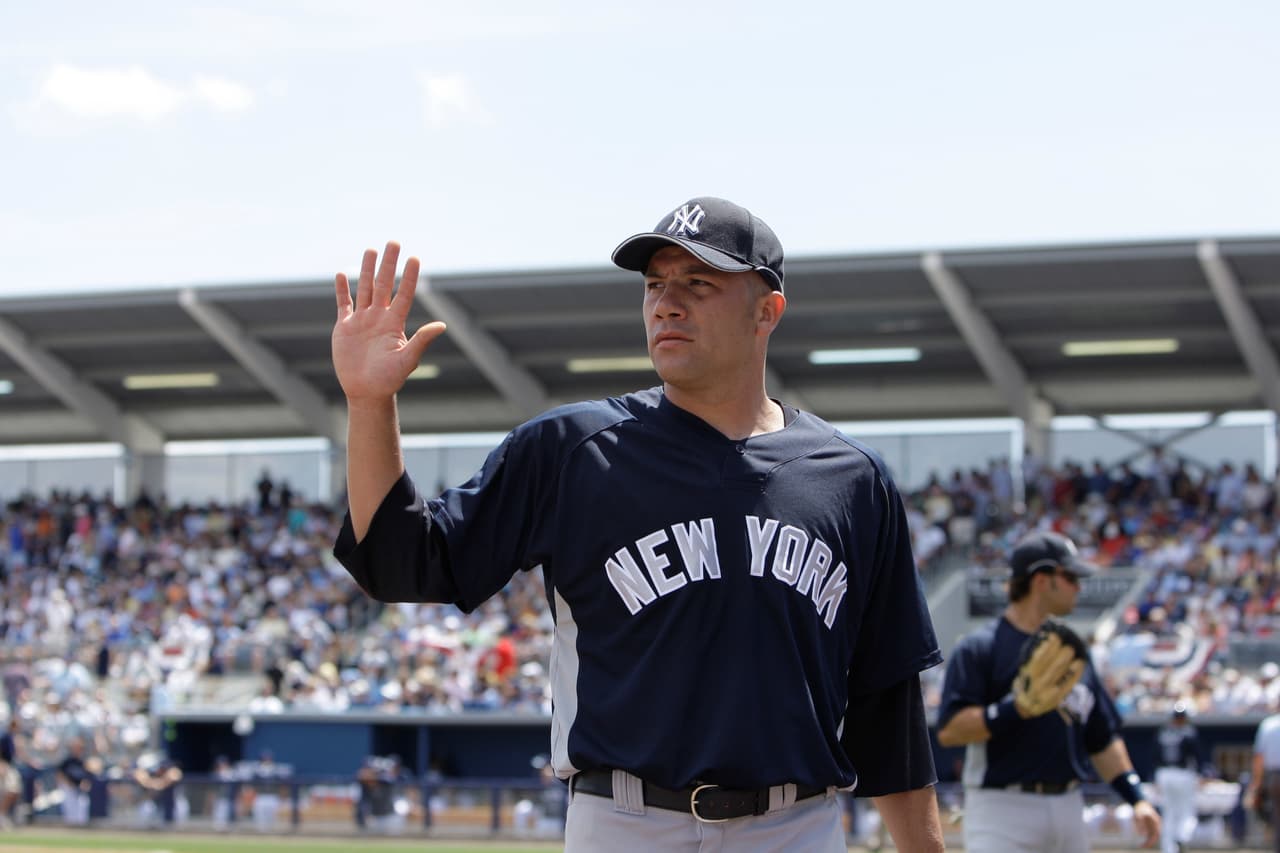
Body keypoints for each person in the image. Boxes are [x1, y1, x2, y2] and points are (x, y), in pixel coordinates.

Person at [330, 196, 945, 852]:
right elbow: (403, 564)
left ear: (766, 311)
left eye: (698, 283)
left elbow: (888, 700)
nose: (666, 304)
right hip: (626, 821)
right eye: (655, 284)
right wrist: (369, 404)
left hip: (796, 825)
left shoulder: (852, 478)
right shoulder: (572, 449)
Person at [936, 530, 1161, 851]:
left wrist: (1136, 797)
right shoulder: (980, 647)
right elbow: (950, 731)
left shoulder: (1072, 654)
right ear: (1041, 580)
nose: (1079, 586)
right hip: (1002, 807)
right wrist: (1016, 708)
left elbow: (1101, 738)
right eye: (1070, 577)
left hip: (1070, 805)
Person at [1154, 703, 1203, 853]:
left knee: (1169, 813)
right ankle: (1182, 837)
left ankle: (1168, 849)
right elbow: (1198, 757)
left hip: (1164, 774)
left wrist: (1155, 778)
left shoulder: (1163, 733)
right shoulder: (1189, 733)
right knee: (1187, 812)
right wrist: (1201, 775)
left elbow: (1154, 758)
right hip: (1183, 774)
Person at [1248, 702, 1280, 852]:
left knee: (1277, 814)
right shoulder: (1268, 724)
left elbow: (1259, 758)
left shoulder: (1268, 724)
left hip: (1274, 777)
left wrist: (1256, 784)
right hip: (1274, 775)